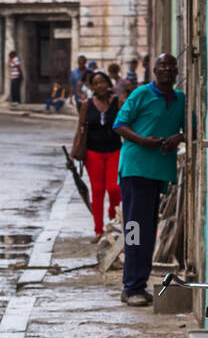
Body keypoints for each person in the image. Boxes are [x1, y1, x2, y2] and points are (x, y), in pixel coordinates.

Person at [112, 52, 184, 306]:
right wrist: (143, 141)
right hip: (135, 169)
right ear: (154, 70)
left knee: (148, 230)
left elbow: (192, 127)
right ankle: (131, 287)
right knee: (135, 229)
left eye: (171, 66)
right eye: (162, 65)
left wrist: (180, 137)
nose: (166, 70)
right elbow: (119, 124)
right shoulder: (141, 93)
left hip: (158, 172)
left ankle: (136, 284)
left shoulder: (180, 99)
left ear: (176, 71)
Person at [77, 71, 122, 239]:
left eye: (102, 82)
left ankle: (113, 219)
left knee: (114, 188)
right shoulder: (86, 104)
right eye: (96, 83)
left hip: (115, 150)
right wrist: (76, 150)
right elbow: (80, 128)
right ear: (92, 87)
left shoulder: (118, 102)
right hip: (93, 152)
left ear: (108, 83)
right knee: (97, 190)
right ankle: (98, 230)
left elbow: (127, 123)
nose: (100, 85)